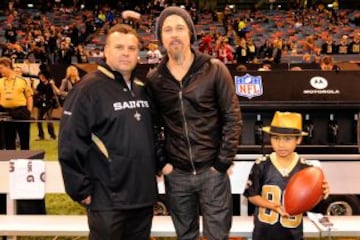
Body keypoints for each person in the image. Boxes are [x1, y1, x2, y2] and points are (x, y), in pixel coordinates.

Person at [146, 6, 243, 240]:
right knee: (185, 236)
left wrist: (222, 162)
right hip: (176, 173)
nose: (174, 34)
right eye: (167, 29)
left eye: (180, 28)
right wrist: (163, 164)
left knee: (217, 235)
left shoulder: (214, 69)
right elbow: (151, 126)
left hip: (213, 171)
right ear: (161, 38)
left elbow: (232, 117)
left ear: (191, 33)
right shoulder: (155, 79)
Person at [58, 24, 158, 240]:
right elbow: (69, 142)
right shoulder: (87, 89)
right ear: (105, 51)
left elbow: (152, 134)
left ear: (138, 54)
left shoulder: (142, 88)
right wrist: (80, 190)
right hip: (106, 198)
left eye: (131, 48)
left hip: (142, 197)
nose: (125, 53)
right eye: (119, 47)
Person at [243, 111, 330, 240]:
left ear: (298, 139)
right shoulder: (261, 164)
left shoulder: (307, 168)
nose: (281, 144)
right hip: (263, 233)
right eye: (276, 138)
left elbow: (315, 207)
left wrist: (323, 194)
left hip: (293, 235)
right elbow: (251, 195)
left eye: (287, 139)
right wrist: (272, 206)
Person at [0, 57, 33, 150]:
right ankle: (10, 161)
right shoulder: (0, 82)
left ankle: (25, 160)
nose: (0, 70)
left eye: (1, 68)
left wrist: (29, 111)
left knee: (24, 140)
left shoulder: (22, 81)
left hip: (21, 112)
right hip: (6, 113)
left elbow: (29, 97)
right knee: (9, 140)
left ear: (8, 67)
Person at [33, 71, 57, 140]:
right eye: (40, 76)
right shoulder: (39, 85)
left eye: (43, 76)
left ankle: (52, 136)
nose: (41, 77)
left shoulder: (51, 83)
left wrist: (53, 85)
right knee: (38, 120)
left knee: (49, 119)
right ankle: (41, 135)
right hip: (41, 104)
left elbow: (55, 92)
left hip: (49, 104)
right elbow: (36, 93)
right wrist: (32, 86)